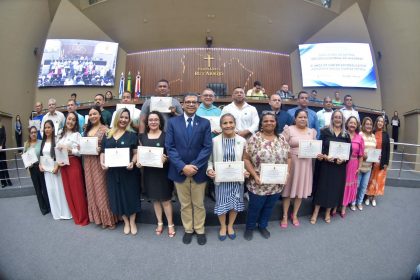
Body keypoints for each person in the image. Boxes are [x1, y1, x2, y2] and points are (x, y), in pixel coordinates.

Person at [165, 93, 212, 245]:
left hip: (198, 171)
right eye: (188, 102)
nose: (191, 104)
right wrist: (183, 166)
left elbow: (207, 147)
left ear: (198, 105)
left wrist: (195, 166)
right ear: (182, 104)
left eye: (194, 102)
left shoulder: (204, 123)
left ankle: (199, 229)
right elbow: (170, 147)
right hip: (179, 171)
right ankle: (188, 229)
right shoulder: (173, 122)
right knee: (184, 204)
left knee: (199, 203)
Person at [243, 112, 291, 240]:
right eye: (266, 121)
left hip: (276, 183)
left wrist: (287, 173)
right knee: (255, 207)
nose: (269, 123)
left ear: (276, 123)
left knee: (269, 207)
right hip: (258, 182)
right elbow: (246, 159)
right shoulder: (254, 139)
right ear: (261, 124)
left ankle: (263, 226)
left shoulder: (282, 139)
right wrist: (254, 175)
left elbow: (289, 157)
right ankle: (250, 227)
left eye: (272, 121)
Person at [206, 113, 249, 241]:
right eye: (225, 123)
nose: (228, 125)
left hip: (236, 180)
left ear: (235, 124)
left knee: (235, 204)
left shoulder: (242, 141)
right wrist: (209, 170)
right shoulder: (214, 141)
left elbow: (245, 160)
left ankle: (230, 226)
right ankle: (223, 227)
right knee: (222, 205)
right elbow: (209, 161)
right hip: (221, 180)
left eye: (231, 122)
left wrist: (245, 171)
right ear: (220, 125)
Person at [100, 108, 140, 235]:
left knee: (131, 195)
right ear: (117, 118)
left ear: (129, 120)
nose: (123, 120)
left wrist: (132, 162)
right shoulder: (108, 135)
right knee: (116, 196)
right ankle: (126, 222)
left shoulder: (132, 135)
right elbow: (102, 152)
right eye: (121, 117)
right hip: (113, 173)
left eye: (126, 118)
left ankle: (132, 221)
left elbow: (136, 152)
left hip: (128, 172)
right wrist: (102, 162)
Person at [137, 111, 175, 237]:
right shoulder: (142, 137)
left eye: (156, 120)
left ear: (160, 122)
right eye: (151, 120)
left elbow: (172, 154)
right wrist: (139, 163)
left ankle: (170, 224)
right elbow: (140, 155)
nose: (153, 122)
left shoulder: (167, 135)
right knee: (155, 200)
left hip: (163, 173)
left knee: (166, 200)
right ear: (147, 122)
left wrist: (167, 158)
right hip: (149, 173)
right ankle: (159, 222)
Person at [311, 110, 351, 224]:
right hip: (326, 165)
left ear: (342, 120)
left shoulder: (346, 135)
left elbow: (349, 151)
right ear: (332, 118)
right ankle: (315, 212)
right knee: (322, 188)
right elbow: (319, 146)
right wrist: (323, 155)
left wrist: (343, 159)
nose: (338, 119)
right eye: (336, 117)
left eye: (340, 117)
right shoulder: (325, 131)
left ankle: (328, 212)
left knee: (334, 189)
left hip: (339, 167)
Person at [280, 109, 317, 228]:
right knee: (288, 191)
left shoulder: (312, 132)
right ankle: (285, 215)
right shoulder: (289, 129)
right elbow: (280, 144)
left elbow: (315, 147)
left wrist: (318, 153)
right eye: (300, 117)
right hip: (292, 163)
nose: (303, 119)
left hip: (306, 164)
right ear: (295, 118)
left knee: (300, 191)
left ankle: (294, 214)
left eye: (305, 117)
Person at [84, 106, 117, 229]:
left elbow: (110, 146)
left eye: (95, 114)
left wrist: (101, 149)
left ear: (100, 115)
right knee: (91, 189)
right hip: (88, 162)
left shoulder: (105, 129)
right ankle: (99, 218)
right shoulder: (87, 130)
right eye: (90, 114)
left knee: (101, 189)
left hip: (99, 162)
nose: (92, 116)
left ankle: (109, 219)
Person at [56, 112, 89, 226]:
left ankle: (83, 218)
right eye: (69, 119)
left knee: (77, 191)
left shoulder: (77, 135)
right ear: (66, 120)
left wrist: (70, 150)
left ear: (76, 122)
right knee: (68, 191)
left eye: (73, 120)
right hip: (63, 165)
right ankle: (76, 216)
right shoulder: (60, 134)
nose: (70, 121)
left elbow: (80, 152)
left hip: (73, 163)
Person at [39, 120, 72, 220]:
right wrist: (40, 165)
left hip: (55, 169)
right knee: (51, 191)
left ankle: (65, 213)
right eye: (45, 128)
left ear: (53, 128)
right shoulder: (43, 141)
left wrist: (57, 167)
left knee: (59, 190)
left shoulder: (57, 140)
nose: (47, 129)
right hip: (46, 171)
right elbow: (41, 155)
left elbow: (60, 155)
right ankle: (56, 213)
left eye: (49, 127)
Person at [339, 116, 364, 216]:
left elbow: (361, 155)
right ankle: (336, 206)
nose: (352, 125)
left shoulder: (359, 138)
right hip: (341, 163)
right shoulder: (342, 134)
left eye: (354, 123)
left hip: (353, 164)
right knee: (340, 184)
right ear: (347, 124)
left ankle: (343, 207)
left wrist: (359, 167)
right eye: (351, 122)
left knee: (348, 186)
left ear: (357, 125)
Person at [23, 126, 50, 215]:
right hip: (32, 169)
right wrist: (28, 166)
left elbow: (44, 155)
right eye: (32, 132)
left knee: (44, 188)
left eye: (35, 132)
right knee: (38, 189)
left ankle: (49, 206)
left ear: (37, 133)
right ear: (29, 134)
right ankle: (43, 209)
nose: (33, 134)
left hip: (41, 167)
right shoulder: (26, 144)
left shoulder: (41, 142)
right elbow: (24, 157)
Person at [365, 115, 390, 207]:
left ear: (383, 124)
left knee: (378, 180)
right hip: (371, 161)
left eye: (382, 122)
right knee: (370, 179)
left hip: (381, 161)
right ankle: (367, 196)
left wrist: (386, 162)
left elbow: (387, 149)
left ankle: (374, 197)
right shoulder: (372, 132)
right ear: (376, 122)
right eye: (378, 121)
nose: (380, 123)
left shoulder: (386, 134)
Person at [353, 117, 376, 211]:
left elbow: (374, 150)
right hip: (359, 165)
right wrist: (363, 155)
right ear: (363, 125)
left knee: (363, 186)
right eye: (367, 124)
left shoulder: (373, 136)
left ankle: (359, 202)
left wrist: (376, 156)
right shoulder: (360, 135)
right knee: (356, 186)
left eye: (370, 124)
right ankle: (353, 202)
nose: (369, 126)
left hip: (369, 166)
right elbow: (356, 149)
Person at [0, 116, 12, 188]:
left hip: (2, 149)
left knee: (4, 165)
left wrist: (1, 145)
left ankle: (8, 180)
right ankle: (3, 182)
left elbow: (4, 137)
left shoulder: (2, 127)